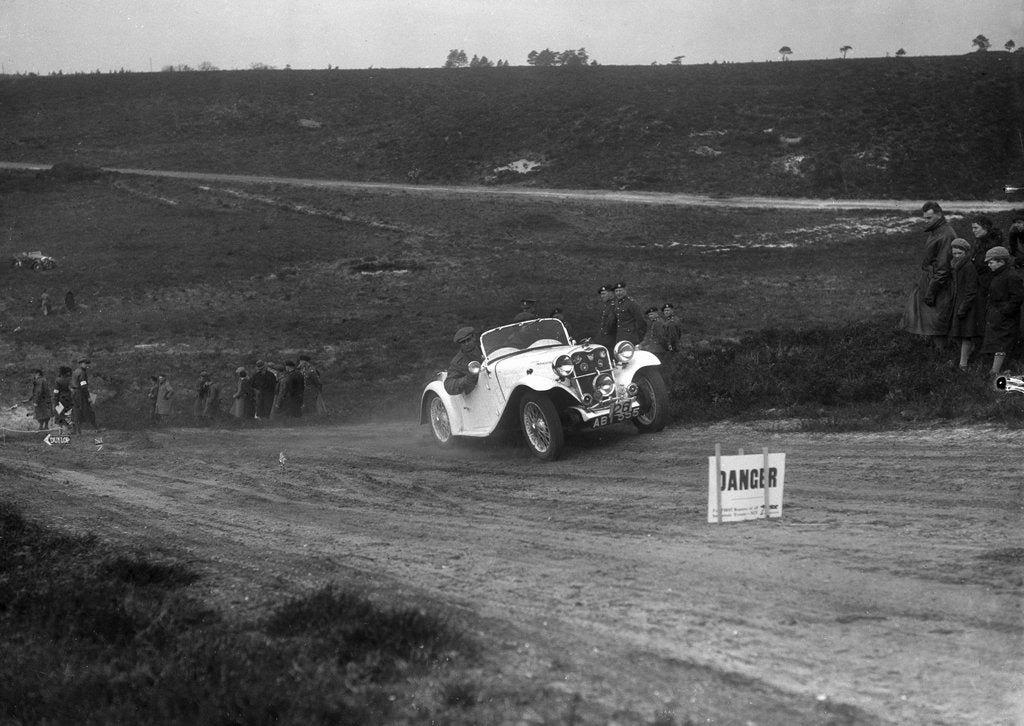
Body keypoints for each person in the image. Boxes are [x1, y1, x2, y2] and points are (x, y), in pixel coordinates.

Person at [897, 201, 957, 350]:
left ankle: (940, 356)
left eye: (929, 218)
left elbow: (943, 269)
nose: (927, 221)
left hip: (939, 284)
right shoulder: (937, 231)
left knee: (937, 321)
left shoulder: (946, 234)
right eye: (925, 218)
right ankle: (934, 354)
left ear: (939, 215)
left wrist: (931, 292)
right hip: (930, 280)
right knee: (929, 319)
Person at [980, 246, 1024, 376]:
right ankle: (1000, 370)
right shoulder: (998, 275)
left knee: (1002, 344)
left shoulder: (1011, 276)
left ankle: (995, 372)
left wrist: (1005, 311)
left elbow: (1017, 297)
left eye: (991, 262)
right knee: (997, 343)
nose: (989, 265)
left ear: (1001, 261)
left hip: (1006, 318)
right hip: (997, 316)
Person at [946, 239, 980, 371]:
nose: (956, 256)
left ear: (966, 253)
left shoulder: (968, 267)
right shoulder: (955, 265)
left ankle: (963, 364)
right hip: (958, 302)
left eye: (959, 253)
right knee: (959, 333)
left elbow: (971, 290)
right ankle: (968, 354)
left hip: (967, 305)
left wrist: (963, 307)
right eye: (954, 253)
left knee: (966, 334)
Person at [444, 326, 482, 396]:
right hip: (477, 393)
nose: (466, 344)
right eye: (463, 342)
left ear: (474, 338)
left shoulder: (486, 347)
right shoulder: (457, 362)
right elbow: (449, 385)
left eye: (468, 340)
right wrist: (467, 379)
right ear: (460, 344)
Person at [69, 356, 97, 434]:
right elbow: (84, 387)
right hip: (80, 393)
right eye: (85, 364)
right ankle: (96, 428)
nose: (87, 365)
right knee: (88, 410)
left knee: (75, 411)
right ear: (81, 364)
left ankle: (76, 430)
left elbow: (72, 383)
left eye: (87, 364)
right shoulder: (82, 373)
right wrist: (88, 397)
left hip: (74, 393)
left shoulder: (75, 371)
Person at [595, 284, 617, 348]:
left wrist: (603, 334)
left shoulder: (614, 305)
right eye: (601, 294)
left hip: (612, 338)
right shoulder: (607, 305)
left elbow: (611, 322)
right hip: (607, 337)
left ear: (611, 293)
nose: (602, 296)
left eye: (604, 294)